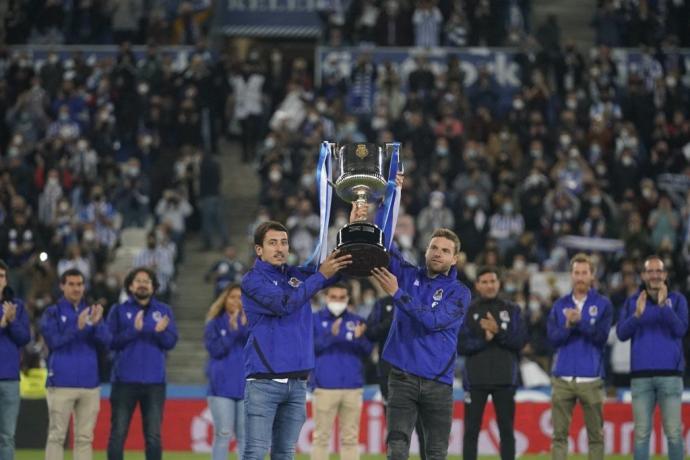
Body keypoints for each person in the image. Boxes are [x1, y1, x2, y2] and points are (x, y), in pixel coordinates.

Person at [241, 221, 351, 460]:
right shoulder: (252, 281)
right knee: (255, 452)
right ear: (259, 250)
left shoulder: (296, 275)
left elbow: (334, 271)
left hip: (298, 382)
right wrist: (320, 275)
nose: (280, 248)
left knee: (285, 454)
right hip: (264, 381)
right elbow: (284, 304)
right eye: (272, 243)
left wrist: (353, 225)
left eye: (283, 242)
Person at [367, 214, 470, 460]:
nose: (437, 253)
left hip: (438, 383)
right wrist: (383, 205)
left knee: (435, 453)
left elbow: (433, 322)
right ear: (426, 250)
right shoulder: (408, 275)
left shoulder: (459, 293)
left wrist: (398, 294)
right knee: (397, 447)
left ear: (454, 259)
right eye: (434, 247)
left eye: (445, 250)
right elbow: (383, 243)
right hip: (403, 378)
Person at [616, 255, 688, 460]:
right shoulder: (633, 302)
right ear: (643, 275)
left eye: (659, 271)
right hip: (641, 377)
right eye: (651, 271)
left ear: (665, 274)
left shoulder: (678, 300)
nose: (655, 275)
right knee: (641, 435)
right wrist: (637, 316)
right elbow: (621, 334)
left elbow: (681, 330)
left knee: (674, 433)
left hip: (671, 377)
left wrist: (664, 306)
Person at [106, 267, 178, 460]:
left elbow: (171, 342)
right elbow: (110, 342)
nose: (143, 284)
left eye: (147, 281)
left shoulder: (164, 311)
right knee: (118, 435)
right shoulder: (118, 310)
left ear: (153, 287)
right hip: (124, 382)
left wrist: (160, 332)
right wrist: (134, 331)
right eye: (138, 280)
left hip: (155, 383)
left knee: (153, 437)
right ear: (130, 286)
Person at [546, 253, 613, 460]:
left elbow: (602, 338)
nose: (580, 277)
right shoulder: (559, 305)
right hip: (562, 379)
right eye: (577, 273)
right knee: (559, 436)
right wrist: (567, 325)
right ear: (571, 275)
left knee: (595, 437)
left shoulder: (603, 304)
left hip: (591, 379)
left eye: (585, 273)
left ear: (592, 276)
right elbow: (552, 339)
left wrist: (580, 322)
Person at [40, 268, 111, 460]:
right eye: (71, 284)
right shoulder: (52, 312)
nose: (76, 288)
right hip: (61, 382)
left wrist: (96, 325)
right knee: (56, 436)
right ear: (62, 286)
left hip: (90, 384)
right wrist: (77, 328)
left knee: (85, 438)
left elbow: (106, 344)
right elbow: (54, 342)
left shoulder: (93, 312)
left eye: (79, 284)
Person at [458, 266, 526, 460]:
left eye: (493, 281)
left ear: (499, 283)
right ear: (477, 285)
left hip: (505, 380)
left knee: (506, 430)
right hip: (475, 380)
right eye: (485, 282)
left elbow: (520, 341)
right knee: (471, 430)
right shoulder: (468, 311)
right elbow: (460, 345)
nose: (490, 285)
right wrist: (484, 339)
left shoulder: (512, 309)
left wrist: (498, 332)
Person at [311, 283, 372, 460]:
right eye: (333, 297)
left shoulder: (357, 320)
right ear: (326, 298)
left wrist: (360, 339)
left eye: (341, 297)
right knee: (321, 437)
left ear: (347, 299)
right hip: (325, 386)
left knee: (350, 439)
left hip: (352, 387)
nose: (337, 301)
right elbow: (310, 349)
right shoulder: (314, 319)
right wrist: (331, 335)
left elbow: (367, 351)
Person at [204, 283, 249, 460]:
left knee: (245, 437)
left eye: (240, 298)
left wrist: (244, 328)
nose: (236, 301)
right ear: (224, 300)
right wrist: (232, 331)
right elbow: (215, 351)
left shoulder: (254, 324)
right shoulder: (214, 323)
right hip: (221, 388)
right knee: (223, 434)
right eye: (232, 297)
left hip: (246, 388)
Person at [0, 260, 30, 460]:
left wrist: (11, 321)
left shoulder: (16, 305)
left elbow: (24, 338)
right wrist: (2, 323)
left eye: (1, 276)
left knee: (7, 437)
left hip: (10, 378)